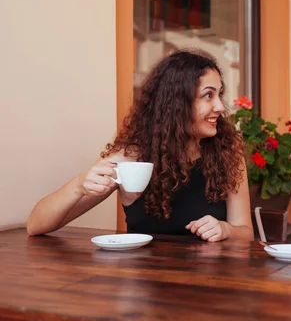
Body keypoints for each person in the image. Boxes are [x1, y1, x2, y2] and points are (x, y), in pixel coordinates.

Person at [27, 50, 253, 241]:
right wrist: (79, 185)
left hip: (210, 283)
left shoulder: (227, 155)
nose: (219, 106)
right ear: (177, 104)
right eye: (208, 96)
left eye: (219, 94)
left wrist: (226, 230)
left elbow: (245, 233)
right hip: (140, 285)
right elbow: (35, 225)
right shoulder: (130, 158)